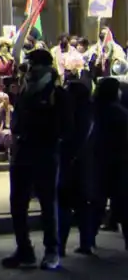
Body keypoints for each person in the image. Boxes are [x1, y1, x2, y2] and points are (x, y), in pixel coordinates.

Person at [2, 49, 69, 271]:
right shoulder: (25, 88)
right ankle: (24, 249)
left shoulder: (55, 91)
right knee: (17, 203)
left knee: (47, 204)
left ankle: (52, 250)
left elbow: (64, 124)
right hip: (22, 151)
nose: (28, 69)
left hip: (44, 152)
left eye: (32, 64)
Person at [58, 79, 97, 256]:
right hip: (87, 166)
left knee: (64, 205)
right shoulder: (91, 115)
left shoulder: (69, 115)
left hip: (69, 163)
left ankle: (60, 246)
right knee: (84, 206)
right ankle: (86, 243)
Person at [93, 77, 128, 248]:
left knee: (96, 201)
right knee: (120, 198)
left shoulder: (95, 109)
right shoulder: (120, 112)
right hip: (118, 161)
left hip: (99, 161)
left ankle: (88, 239)